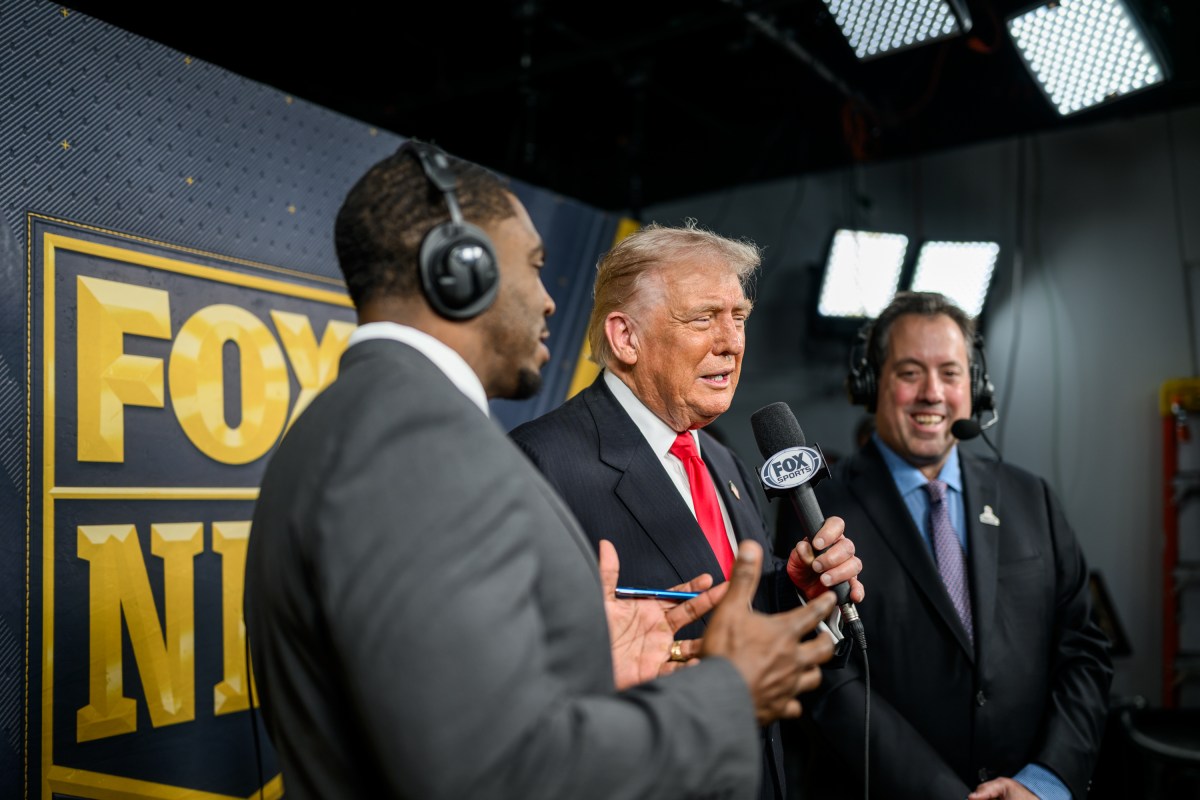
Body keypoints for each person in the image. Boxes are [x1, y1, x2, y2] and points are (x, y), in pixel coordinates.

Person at [244, 141, 841, 800]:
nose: (550, 301)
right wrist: (726, 696)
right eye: (532, 266)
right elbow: (490, 774)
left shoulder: (362, 422)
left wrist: (593, 674)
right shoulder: (414, 443)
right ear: (459, 272)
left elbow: (460, 718)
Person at [510, 222, 865, 800]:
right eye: (704, 318)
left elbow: (734, 625)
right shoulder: (541, 463)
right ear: (625, 337)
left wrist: (796, 590)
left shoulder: (725, 463)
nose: (732, 341)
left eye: (739, 316)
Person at [792, 291, 1112, 800]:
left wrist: (1046, 781)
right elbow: (825, 675)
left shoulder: (1033, 500)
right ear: (870, 385)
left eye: (951, 372)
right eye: (909, 372)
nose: (933, 393)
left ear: (976, 387)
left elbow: (1083, 653)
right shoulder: (818, 511)